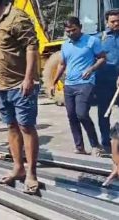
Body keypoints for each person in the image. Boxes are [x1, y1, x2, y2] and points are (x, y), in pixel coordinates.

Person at [0, 0, 41, 194]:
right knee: (11, 126)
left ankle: (31, 173)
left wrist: (29, 78)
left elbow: (32, 46)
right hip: (2, 86)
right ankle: (18, 167)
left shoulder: (17, 17)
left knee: (26, 127)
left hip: (21, 84)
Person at [52, 17, 106, 157]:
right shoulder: (66, 45)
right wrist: (54, 81)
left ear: (80, 27)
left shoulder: (92, 41)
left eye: (73, 30)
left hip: (86, 83)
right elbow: (62, 64)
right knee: (72, 116)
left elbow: (102, 58)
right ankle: (79, 147)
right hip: (69, 85)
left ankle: (95, 145)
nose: (71, 33)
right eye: (68, 31)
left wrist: (92, 68)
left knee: (81, 113)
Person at [96, 9, 119, 154]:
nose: (117, 23)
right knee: (104, 114)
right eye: (113, 21)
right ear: (106, 22)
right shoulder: (99, 39)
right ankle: (106, 143)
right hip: (104, 83)